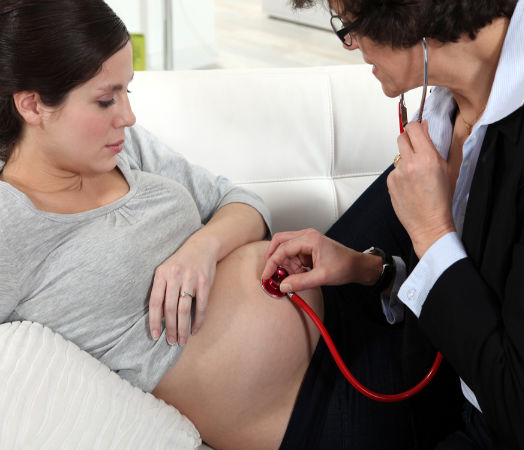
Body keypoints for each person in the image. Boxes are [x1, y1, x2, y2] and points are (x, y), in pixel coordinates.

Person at [2, 1, 459, 449]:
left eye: (127, 92)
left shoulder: (122, 146)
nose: (127, 116)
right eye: (105, 100)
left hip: (345, 296)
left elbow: (242, 204)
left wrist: (201, 248)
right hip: (319, 408)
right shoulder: (10, 225)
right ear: (32, 106)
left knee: (442, 156)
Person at [262, 0, 524, 448]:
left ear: (410, 14)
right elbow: (479, 290)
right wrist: (374, 270)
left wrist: (432, 233)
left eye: (350, 25)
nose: (351, 44)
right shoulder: (444, 107)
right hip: (430, 390)